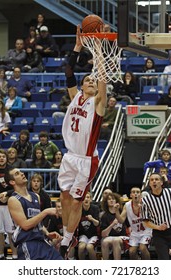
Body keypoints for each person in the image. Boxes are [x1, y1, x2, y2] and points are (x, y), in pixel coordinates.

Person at [58, 24, 107, 259]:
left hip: (87, 160)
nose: (88, 82)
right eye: (86, 79)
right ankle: (69, 234)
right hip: (69, 157)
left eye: (91, 81)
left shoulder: (98, 103)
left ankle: (67, 239)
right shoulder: (75, 96)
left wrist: (97, 49)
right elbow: (68, 69)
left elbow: (102, 79)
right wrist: (77, 47)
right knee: (65, 198)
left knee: (77, 203)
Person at [5, 167, 63, 260]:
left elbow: (37, 220)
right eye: (17, 174)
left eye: (21, 172)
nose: (22, 174)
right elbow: (25, 225)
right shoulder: (13, 200)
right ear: (12, 182)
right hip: (27, 243)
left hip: (41, 240)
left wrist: (47, 233)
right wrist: (46, 212)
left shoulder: (36, 196)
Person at [141, 173, 171, 260]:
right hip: (159, 234)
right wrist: (158, 227)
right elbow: (145, 222)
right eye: (152, 180)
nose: (154, 181)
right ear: (149, 183)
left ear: (161, 182)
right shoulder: (146, 200)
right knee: (163, 259)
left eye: (156, 179)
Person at [115, 186, 152, 260]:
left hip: (146, 232)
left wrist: (144, 209)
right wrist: (116, 211)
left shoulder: (146, 204)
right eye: (133, 192)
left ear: (141, 195)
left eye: (138, 192)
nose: (136, 194)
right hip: (135, 233)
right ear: (130, 195)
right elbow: (121, 220)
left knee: (142, 248)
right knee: (131, 252)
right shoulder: (127, 205)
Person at [0, 149, 17, 260]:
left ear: (6, 158)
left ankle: (15, 257)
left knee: (11, 232)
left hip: (10, 206)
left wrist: (7, 194)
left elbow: (17, 188)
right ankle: (0, 256)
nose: (1, 158)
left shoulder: (11, 171)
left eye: (3, 156)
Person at [100, 192, 129, 260]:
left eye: (113, 199)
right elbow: (103, 234)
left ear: (117, 201)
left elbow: (129, 227)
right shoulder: (104, 216)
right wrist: (112, 224)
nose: (111, 200)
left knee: (115, 240)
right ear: (106, 202)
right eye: (109, 199)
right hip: (110, 237)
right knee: (105, 242)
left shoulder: (122, 212)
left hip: (123, 237)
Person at [78, 191, 100, 260]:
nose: (86, 199)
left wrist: (92, 219)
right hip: (83, 235)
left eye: (88, 197)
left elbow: (97, 223)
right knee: (81, 247)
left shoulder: (95, 208)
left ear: (91, 199)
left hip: (94, 235)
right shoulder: (78, 209)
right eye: (84, 198)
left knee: (89, 247)